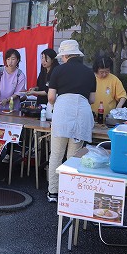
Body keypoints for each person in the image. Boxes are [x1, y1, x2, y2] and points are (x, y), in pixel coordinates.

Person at [47, 39, 96, 202]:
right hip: (82, 114)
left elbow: (51, 97)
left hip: (62, 113)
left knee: (56, 154)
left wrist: (57, 103)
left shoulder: (58, 71)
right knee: (74, 156)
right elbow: (92, 99)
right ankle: (69, 193)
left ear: (66, 55)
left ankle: (53, 192)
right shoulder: (89, 72)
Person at [0, 49, 26, 113]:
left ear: (18, 60)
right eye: (8, 59)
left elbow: (18, 93)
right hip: (1, 106)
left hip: (14, 108)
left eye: (13, 59)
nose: (10, 62)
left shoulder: (20, 75)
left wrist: (7, 100)